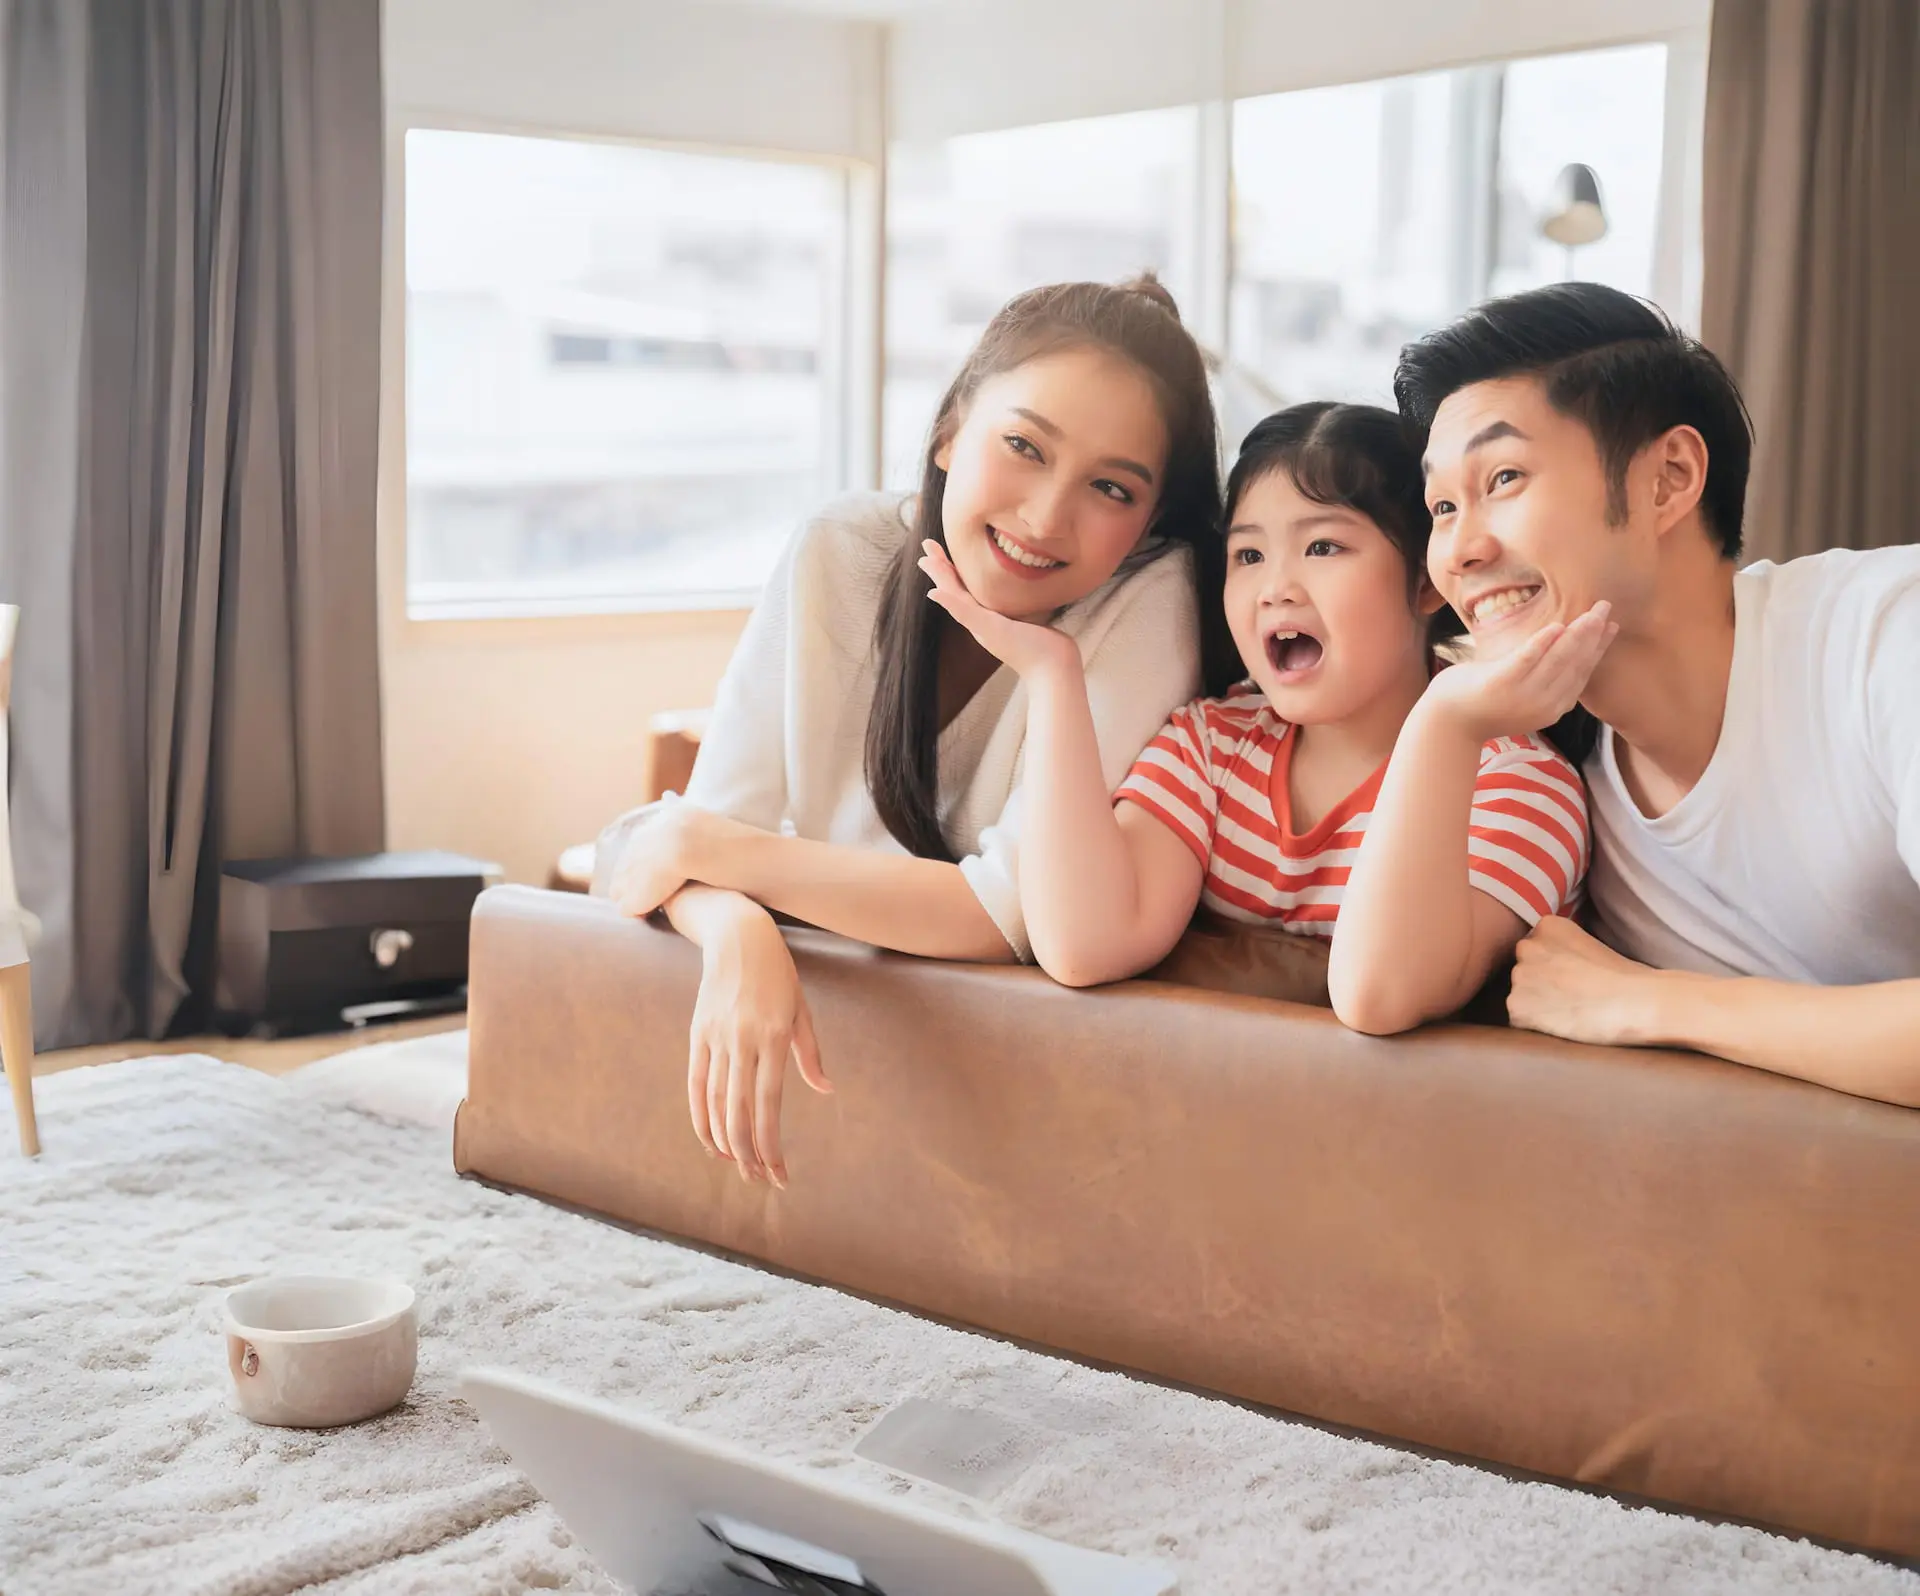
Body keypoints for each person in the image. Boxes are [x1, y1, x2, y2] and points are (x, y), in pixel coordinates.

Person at [598, 275, 1238, 1185]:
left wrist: (719, 853)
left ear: (1147, 521)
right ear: (950, 430)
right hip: (840, 1104)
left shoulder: (1149, 600)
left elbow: (1008, 915)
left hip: (1010, 1136)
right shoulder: (840, 551)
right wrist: (737, 931)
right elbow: (681, 844)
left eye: (1110, 487)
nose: (1047, 517)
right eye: (1023, 445)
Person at [1398, 281, 1920, 1108]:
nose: (1458, 549)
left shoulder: (1886, 636)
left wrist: (1651, 1002)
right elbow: (1380, 1000)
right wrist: (1440, 720)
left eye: (1502, 478)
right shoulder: (1551, 774)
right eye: (1441, 506)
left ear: (1669, 479)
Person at [920, 401, 1596, 1033]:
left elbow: (1383, 995)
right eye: (1248, 555)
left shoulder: (1520, 784)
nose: (1276, 588)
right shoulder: (1213, 744)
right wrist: (1053, 676)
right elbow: (1083, 945)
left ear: (1425, 581)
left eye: (1323, 548)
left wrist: (1444, 726)